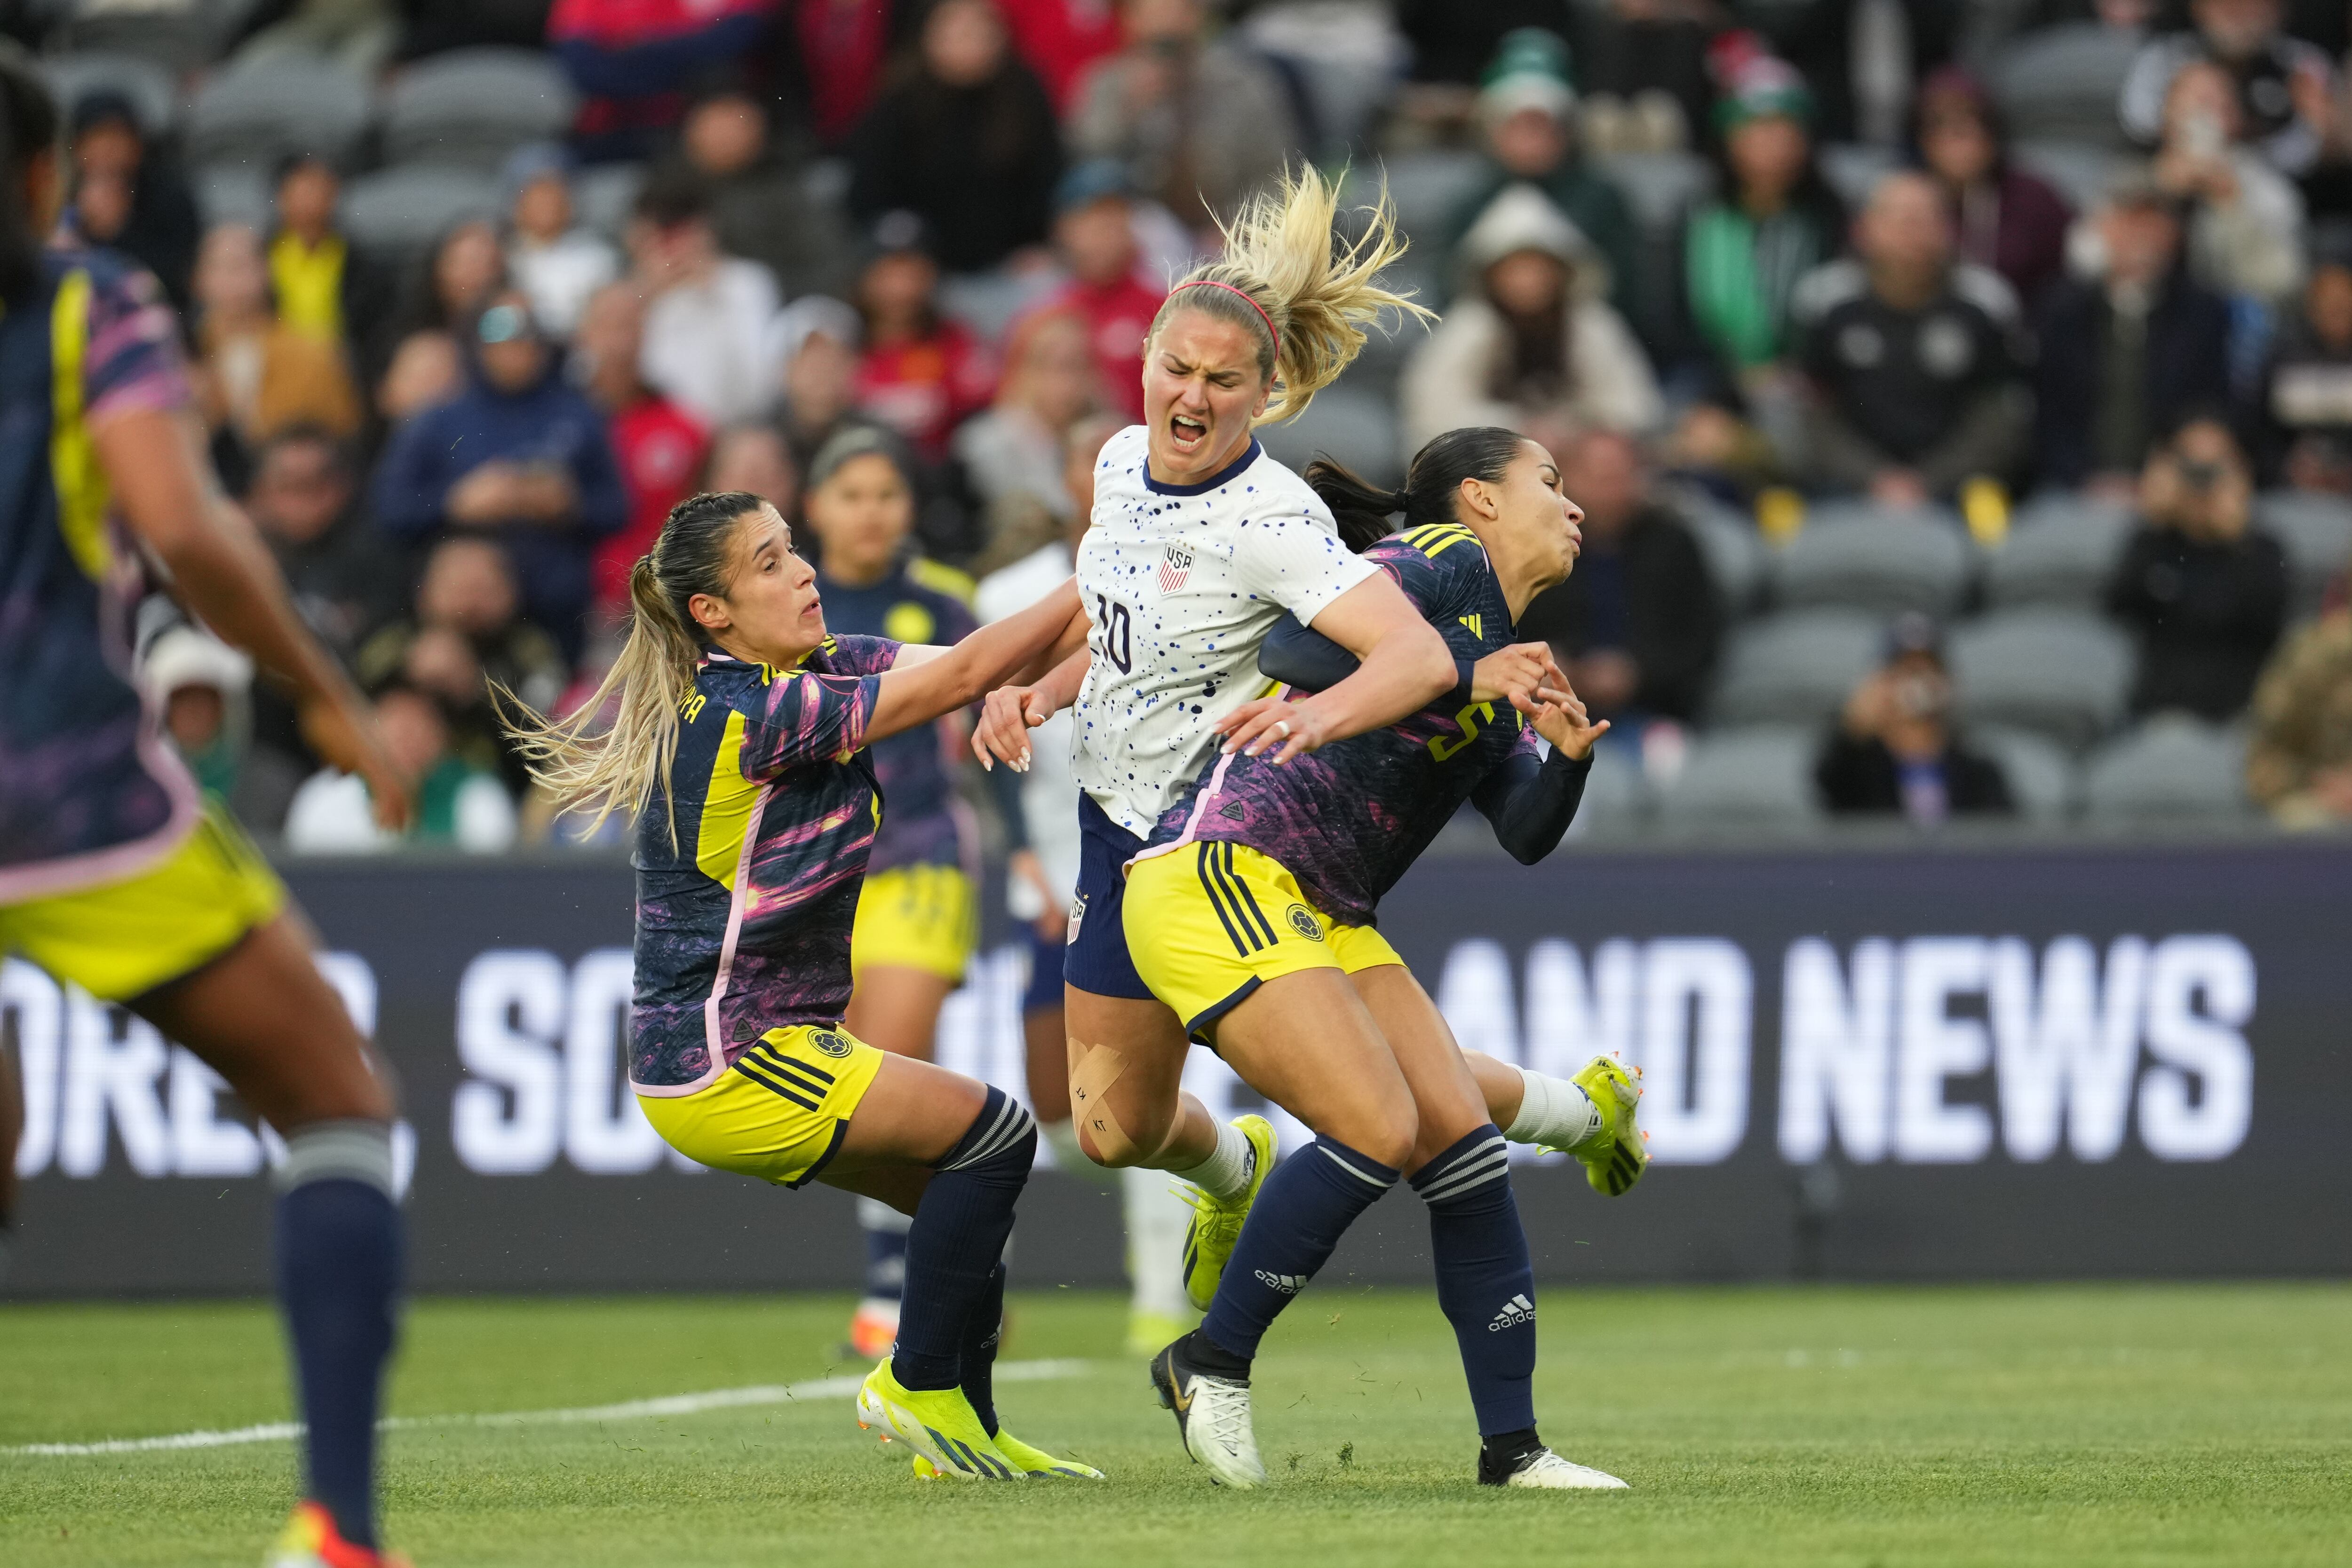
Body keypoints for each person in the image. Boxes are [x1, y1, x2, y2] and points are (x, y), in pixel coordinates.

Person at [967, 167, 1626, 1483]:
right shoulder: (1412, 565)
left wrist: (1556, 751)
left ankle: (1513, 1443)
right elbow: (1234, 635)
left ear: (1261, 397)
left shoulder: (1356, 562)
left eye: (1221, 378)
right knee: (1127, 1129)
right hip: (1184, 846)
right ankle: (1223, 1296)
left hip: (1267, 869)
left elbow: (1519, 817)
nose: (1577, 500)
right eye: (1174, 367)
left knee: (1440, 1132)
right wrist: (1043, 683)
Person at [0, 57, 415, 1568]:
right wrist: (324, 693)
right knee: (332, 1100)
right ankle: (344, 1533)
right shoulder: (85, 301)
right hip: (72, 798)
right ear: (42, 175)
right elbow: (182, 524)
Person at [501, 488, 1096, 1482]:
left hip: (746, 1044)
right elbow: (968, 672)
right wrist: (1123, 552)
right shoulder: (754, 709)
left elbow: (995, 657)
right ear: (713, 613)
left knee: (965, 1207)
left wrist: (1123, 582)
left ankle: (962, 1438)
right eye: (770, 563)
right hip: (731, 1055)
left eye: (793, 550)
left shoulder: (811, 667)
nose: (805, 570)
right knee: (997, 1133)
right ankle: (914, 1385)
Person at [974, 412, 1198, 1354]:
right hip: (1048, 878)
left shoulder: (1195, 575)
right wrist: (1006, 845)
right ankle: (1213, 1172)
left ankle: (1163, 1295)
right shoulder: (1013, 593)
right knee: (1060, 1114)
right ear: (1075, 478)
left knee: (1131, 1094)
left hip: (1155, 864)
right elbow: (961, 722)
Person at [787, 428, 983, 1357]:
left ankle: (891, 1299)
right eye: (852, 492)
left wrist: (1022, 848)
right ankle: (961, 1245)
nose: (872, 511)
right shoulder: (786, 612)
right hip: (821, 879)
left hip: (922, 860)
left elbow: (997, 723)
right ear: (816, 506)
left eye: (888, 493)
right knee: (851, 1097)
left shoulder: (941, 603)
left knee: (888, 1071)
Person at [371, 290, 629, 659]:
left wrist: (568, 504)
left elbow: (617, 507)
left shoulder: (580, 415)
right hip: (460, 620)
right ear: (475, 341)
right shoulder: (437, 421)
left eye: (529, 328)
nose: (517, 342)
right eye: (500, 328)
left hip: (557, 610)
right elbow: (389, 510)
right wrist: (456, 503)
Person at [1794, 169, 2031, 507]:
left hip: (1958, 489)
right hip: (1842, 487)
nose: (1912, 230)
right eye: (1898, 218)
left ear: (1949, 231)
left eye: (1926, 217)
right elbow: (1812, 416)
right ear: (1863, 230)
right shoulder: (1825, 301)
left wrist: (1928, 482)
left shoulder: (1985, 303)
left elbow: (1999, 420)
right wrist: (1873, 478)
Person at [1401, 184, 1663, 457]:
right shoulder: (1470, 327)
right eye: (1514, 269)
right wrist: (1517, 429)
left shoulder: (1590, 324)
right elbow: (1433, 412)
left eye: (1537, 268)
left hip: (1577, 461)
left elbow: (1635, 403)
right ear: (1491, 275)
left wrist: (1574, 429)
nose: (1527, 281)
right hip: (1491, 463)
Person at [2035, 175, 2235, 495]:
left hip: (2172, 486)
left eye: (2156, 225)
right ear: (2104, 231)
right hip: (2074, 484)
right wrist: (2081, 478)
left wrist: (2166, 475)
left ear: (2176, 235)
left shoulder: (2202, 313)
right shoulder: (2064, 310)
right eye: (2131, 223)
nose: (2144, 238)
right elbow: (2049, 412)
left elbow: (2210, 406)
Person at [1439, 28, 1645, 338]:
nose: (1532, 141)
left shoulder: (1602, 200)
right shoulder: (1468, 205)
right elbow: (1448, 299)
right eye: (1519, 126)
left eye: (1543, 126)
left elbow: (1628, 297)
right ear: (1494, 131)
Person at [1672, 61, 1846, 416]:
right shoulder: (1696, 214)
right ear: (1729, 140)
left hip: (1809, 380)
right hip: (1709, 373)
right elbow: (1671, 316)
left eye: (1784, 129)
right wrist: (1734, 376)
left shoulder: (1831, 218)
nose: (1772, 143)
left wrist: (1792, 370)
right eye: (1757, 130)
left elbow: (1842, 312)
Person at [1514, 428, 1721, 724]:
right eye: (1597, 478)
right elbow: (1510, 628)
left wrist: (1637, 674)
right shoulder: (1534, 547)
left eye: (1620, 477)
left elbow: (1699, 637)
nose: (1609, 491)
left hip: (1659, 714)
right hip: (1546, 713)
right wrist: (1547, 666)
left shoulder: (1673, 543)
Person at [847, 0, 1063, 276]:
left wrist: (1037, 242)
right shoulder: (899, 100)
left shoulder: (1025, 93)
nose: (969, 41)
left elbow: (1046, 176)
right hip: (921, 266)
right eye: (956, 31)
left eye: (980, 30)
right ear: (928, 37)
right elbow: (872, 189)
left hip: (1012, 264)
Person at [1066, 0, 1300, 243]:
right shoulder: (1106, 86)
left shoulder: (1243, 86)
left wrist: (1242, 228)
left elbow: (1277, 176)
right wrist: (1128, 112)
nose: (1168, 18)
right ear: (1128, 20)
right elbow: (1084, 176)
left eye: (1179, 8)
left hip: (1229, 235)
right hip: (1134, 245)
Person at [2106, 414, 2289, 720]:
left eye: (2215, 466)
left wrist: (2237, 540)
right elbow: (2119, 605)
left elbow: (2267, 620)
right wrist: (2156, 518)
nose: (2202, 479)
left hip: (2239, 714)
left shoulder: (2264, 548)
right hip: (2157, 714)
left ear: (2241, 470)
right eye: (2190, 465)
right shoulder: (2151, 541)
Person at [189, 223, 364, 487]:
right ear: (198, 279)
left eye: (241, 266)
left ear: (268, 271)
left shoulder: (313, 350)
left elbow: (341, 432)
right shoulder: (182, 352)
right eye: (219, 267)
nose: (232, 281)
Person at [576, 282, 709, 615]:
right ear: (583, 334)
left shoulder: (684, 427)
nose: (620, 341)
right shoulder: (559, 422)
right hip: (578, 603)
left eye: (631, 325)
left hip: (663, 606)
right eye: (607, 325)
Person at [1816, 614, 2016, 823]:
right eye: (1908, 671)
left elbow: (2004, 838)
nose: (1919, 685)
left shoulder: (1979, 772)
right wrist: (1855, 723)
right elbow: (1830, 785)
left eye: (1929, 670)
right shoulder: (1856, 769)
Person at [286, 679, 519, 853]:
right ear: (367, 730)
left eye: (421, 727)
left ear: (443, 738)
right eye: (398, 727)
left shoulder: (478, 794)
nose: (409, 740)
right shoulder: (328, 794)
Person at [1910, 67, 2074, 313]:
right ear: (1924, 139)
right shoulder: (1903, 199)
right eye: (1943, 125)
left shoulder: (2033, 199)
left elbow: (2070, 273)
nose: (1959, 139)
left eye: (1971, 123)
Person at [628, 171, 782, 431]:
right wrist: (646, 297)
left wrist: (710, 293)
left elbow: (758, 389)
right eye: (664, 234)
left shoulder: (748, 283)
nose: (675, 245)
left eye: (683, 231)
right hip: (668, 440)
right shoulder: (637, 297)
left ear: (706, 229)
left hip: (743, 430)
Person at [2151, 57, 2306, 308]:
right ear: (2167, 113)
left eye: (2216, 103)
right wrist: (2159, 198)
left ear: (2235, 117)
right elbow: (2089, 258)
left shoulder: (2267, 187)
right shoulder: (2136, 178)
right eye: (2195, 100)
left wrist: (2230, 203)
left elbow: (2282, 280)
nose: (2203, 114)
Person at [676, 85, 856, 301]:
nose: (726, 137)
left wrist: (755, 288)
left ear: (759, 133)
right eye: (715, 125)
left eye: (738, 126)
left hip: (775, 309)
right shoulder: (665, 191)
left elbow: (829, 267)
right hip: (681, 308)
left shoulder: (787, 192)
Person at [2119, 0, 2332, 177]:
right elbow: (2139, 123)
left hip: (2275, 187)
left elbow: (2305, 153)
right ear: (2200, 8)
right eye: (2228, 6)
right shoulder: (2167, 57)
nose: (2241, 16)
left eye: (2253, 6)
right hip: (2177, 175)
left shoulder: (2302, 64)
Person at [850, 214, 996, 465]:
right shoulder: (845, 340)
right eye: (888, 273)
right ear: (865, 280)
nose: (902, 288)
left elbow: (985, 398)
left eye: (913, 273)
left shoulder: (956, 341)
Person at [547, 0, 772, 161]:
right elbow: (585, 71)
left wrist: (636, 52)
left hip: (692, 136)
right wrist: (673, 67)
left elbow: (735, 40)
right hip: (606, 132)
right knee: (537, 164)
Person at [1038, 159, 1167, 424]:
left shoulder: (1164, 307)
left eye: (1115, 214)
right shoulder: (1046, 315)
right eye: (1091, 217)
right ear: (1064, 229)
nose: (1106, 228)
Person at [954, 307, 1097, 521]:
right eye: (1047, 365)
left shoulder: (1115, 437)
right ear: (1020, 369)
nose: (1064, 382)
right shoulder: (986, 444)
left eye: (1075, 365)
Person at [64, 89, 199, 311]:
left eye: (117, 136)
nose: (107, 149)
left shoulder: (170, 196)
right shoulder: (58, 196)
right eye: (96, 137)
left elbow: (178, 279)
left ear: (138, 145)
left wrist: (118, 230)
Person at [2245, 594, 2352, 825]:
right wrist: (2318, 784)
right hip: (2315, 809)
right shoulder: (2306, 657)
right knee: (2301, 820)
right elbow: (2264, 766)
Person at [269, 154, 390, 356]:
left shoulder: (364, 267)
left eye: (320, 189)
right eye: (302, 190)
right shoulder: (260, 257)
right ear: (281, 197)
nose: (310, 201)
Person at [502, 143, 618, 340]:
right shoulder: (498, 254)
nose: (547, 202)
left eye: (555, 191)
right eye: (537, 191)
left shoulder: (598, 258)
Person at [2259, 248, 2352, 490]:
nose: (2335, 309)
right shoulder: (2283, 357)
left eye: (2344, 300)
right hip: (2293, 488)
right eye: (2326, 300)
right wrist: (2286, 468)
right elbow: (2258, 431)